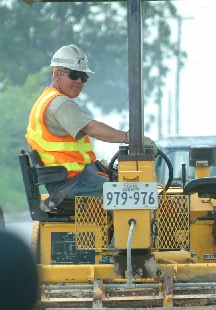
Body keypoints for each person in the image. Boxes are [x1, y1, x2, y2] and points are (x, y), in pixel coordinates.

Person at [25, 44, 156, 209]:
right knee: (137, 197)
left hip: (73, 180)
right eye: (74, 75)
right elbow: (93, 128)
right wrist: (131, 138)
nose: (79, 81)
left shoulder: (47, 100)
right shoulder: (59, 103)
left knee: (134, 192)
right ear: (57, 74)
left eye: (83, 77)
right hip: (72, 184)